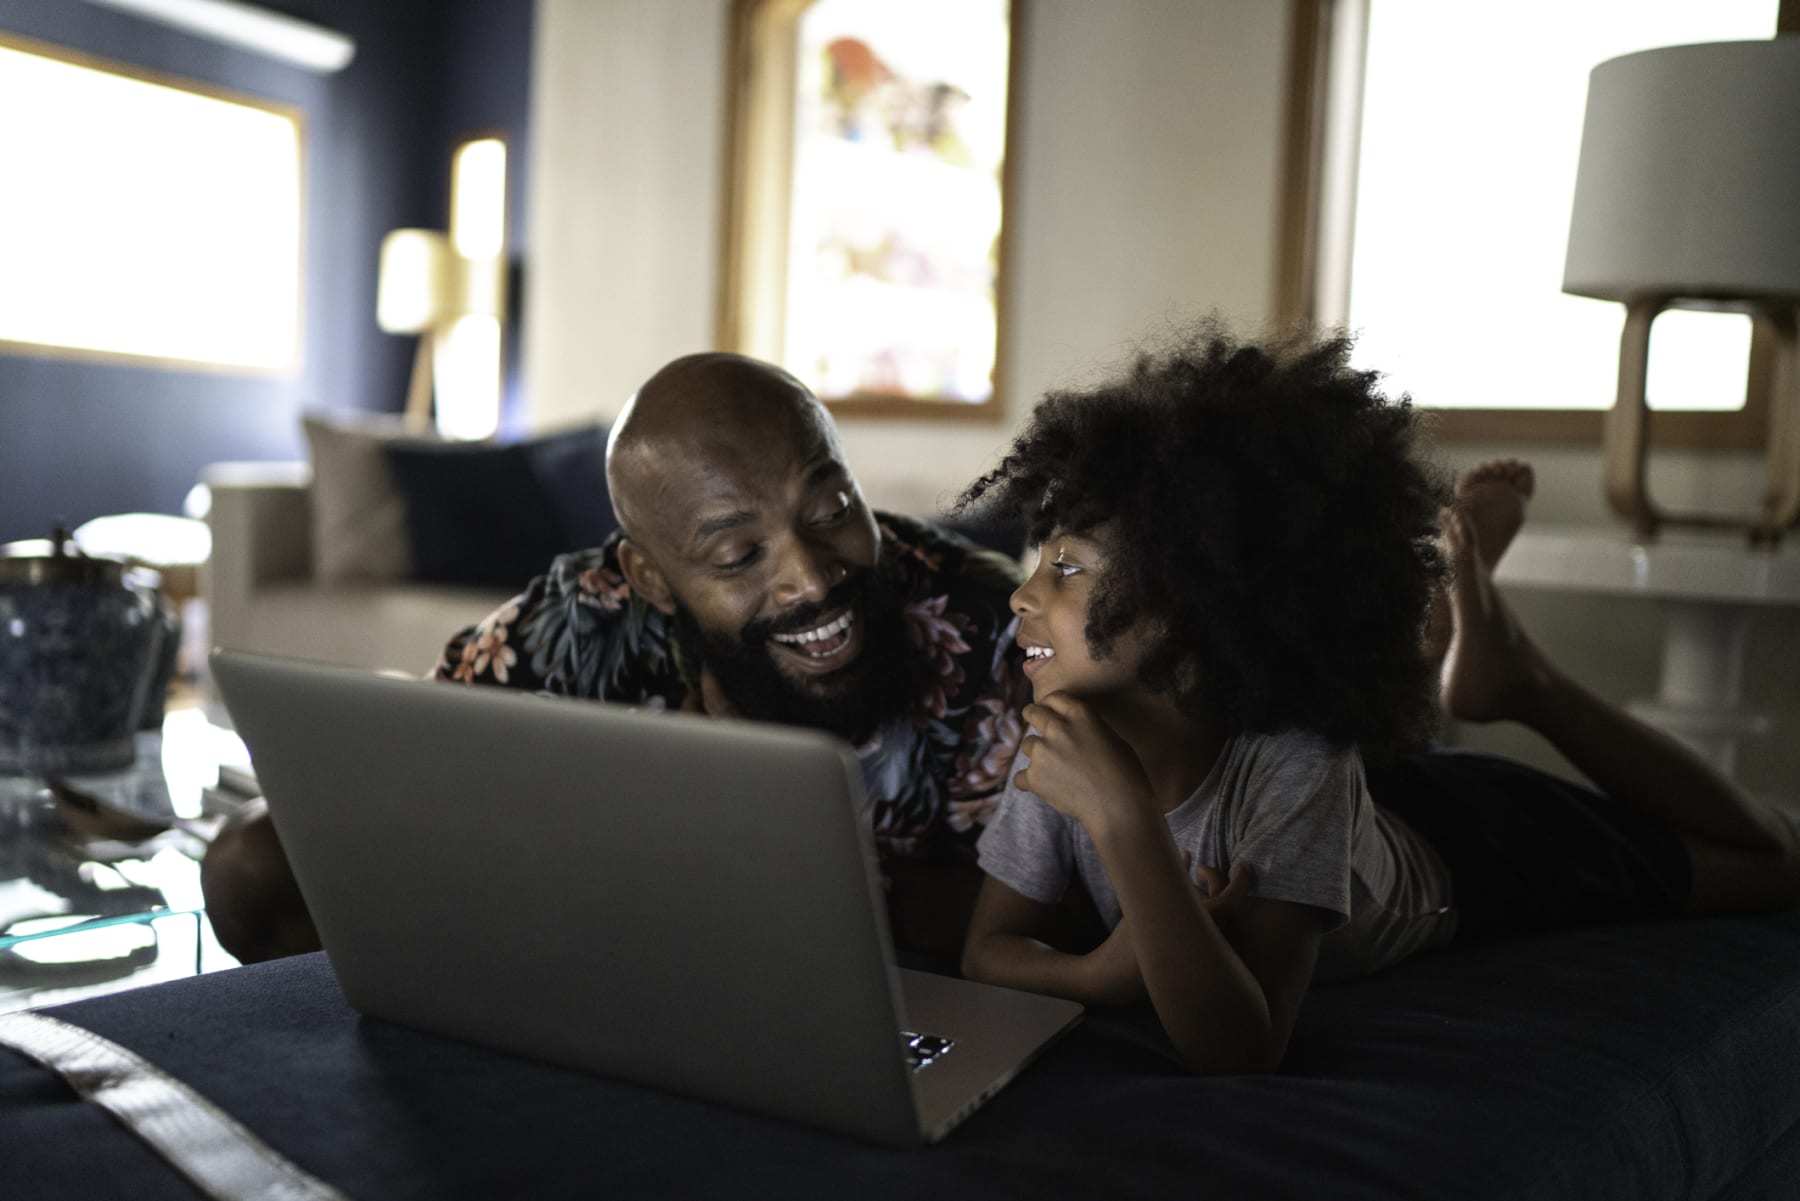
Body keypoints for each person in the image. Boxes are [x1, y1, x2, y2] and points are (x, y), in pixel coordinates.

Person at [955, 323, 1800, 1076]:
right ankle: (1450, 647)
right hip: (1355, 813)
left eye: (1066, 568)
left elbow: (1242, 1045)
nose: (1023, 597)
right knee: (1364, 744)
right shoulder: (1062, 746)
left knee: (1773, 861)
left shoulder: (1292, 763)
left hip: (1473, 849)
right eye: (1036, 565)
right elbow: (986, 951)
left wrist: (1125, 823)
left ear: (1197, 598)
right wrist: (1098, 971)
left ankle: (1520, 679)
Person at [203, 352, 1030, 965]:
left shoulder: (990, 622)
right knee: (253, 868)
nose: (811, 576)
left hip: (883, 998)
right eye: (740, 555)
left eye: (832, 507)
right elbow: (407, 771)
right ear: (649, 576)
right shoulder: (586, 614)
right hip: (607, 971)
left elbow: (1053, 920)